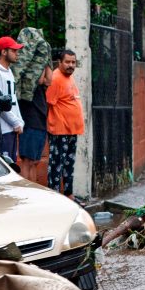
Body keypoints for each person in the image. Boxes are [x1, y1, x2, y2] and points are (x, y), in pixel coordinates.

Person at [45, 49, 85, 198]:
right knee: (56, 165)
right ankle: (54, 197)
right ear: (59, 62)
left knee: (69, 165)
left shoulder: (69, 77)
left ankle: (69, 195)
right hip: (59, 130)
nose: (71, 65)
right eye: (67, 62)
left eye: (73, 62)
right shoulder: (55, 78)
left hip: (72, 130)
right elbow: (49, 102)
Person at [0, 36, 25, 164]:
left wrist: (19, 121)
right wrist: (15, 122)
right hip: (2, 130)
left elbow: (13, 99)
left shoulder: (8, 71)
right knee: (5, 165)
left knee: (12, 165)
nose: (17, 53)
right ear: (3, 52)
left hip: (11, 128)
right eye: (13, 50)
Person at [18, 64, 52, 184]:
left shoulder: (41, 84)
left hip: (40, 122)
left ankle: (32, 191)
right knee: (27, 161)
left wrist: (46, 61)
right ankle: (25, 191)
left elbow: (48, 80)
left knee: (34, 162)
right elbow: (40, 79)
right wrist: (42, 61)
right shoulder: (27, 77)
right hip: (30, 122)